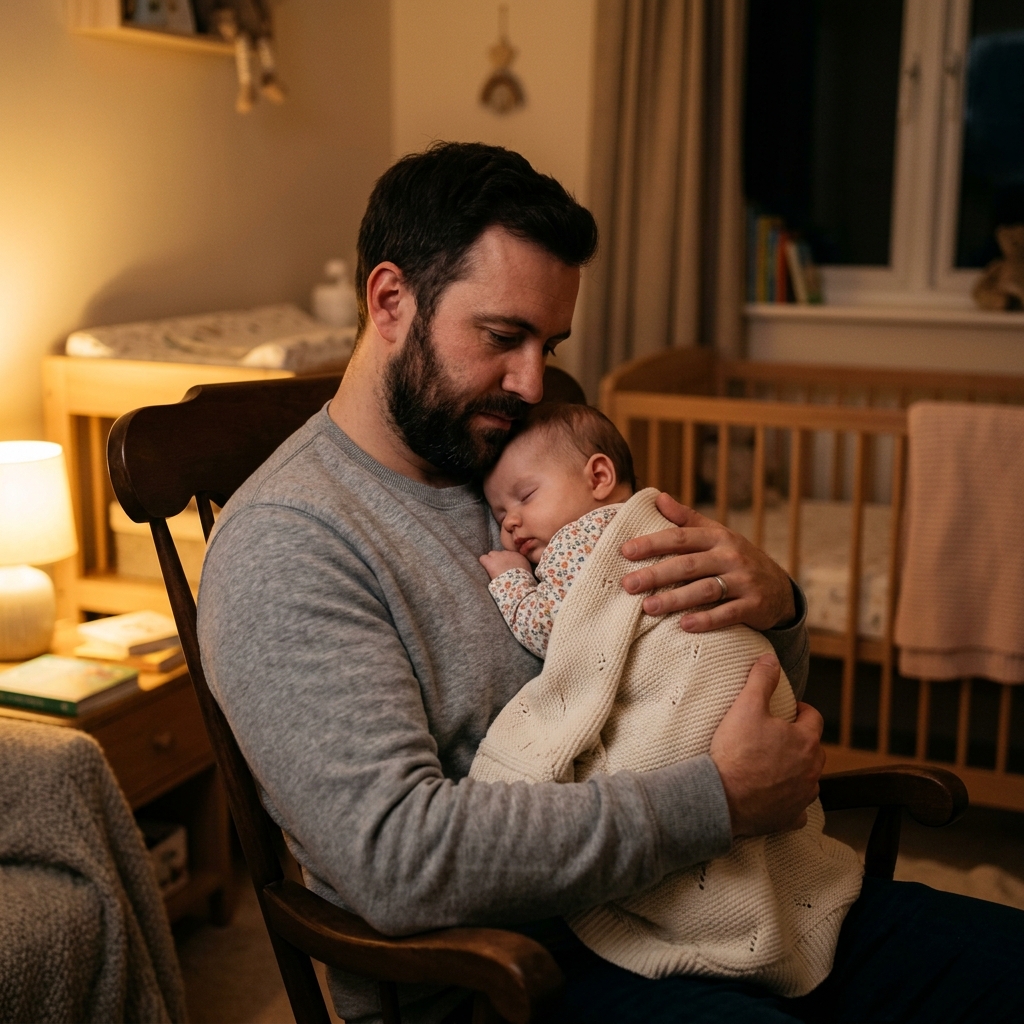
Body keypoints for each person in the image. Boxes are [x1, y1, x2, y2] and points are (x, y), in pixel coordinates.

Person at [197, 142, 1024, 1023]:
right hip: (512, 973)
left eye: (548, 345)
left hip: (712, 899)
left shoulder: (521, 451)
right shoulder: (288, 549)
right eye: (503, 337)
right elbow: (400, 863)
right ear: (391, 301)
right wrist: (717, 800)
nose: (530, 382)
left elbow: (686, 685)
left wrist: (774, 611)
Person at [474, 402, 863, 998]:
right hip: (548, 923)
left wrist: (510, 580)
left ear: (599, 478)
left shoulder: (582, 542)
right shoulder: (655, 523)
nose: (510, 524)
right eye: (500, 512)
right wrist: (726, 794)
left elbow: (555, 629)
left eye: (524, 497)